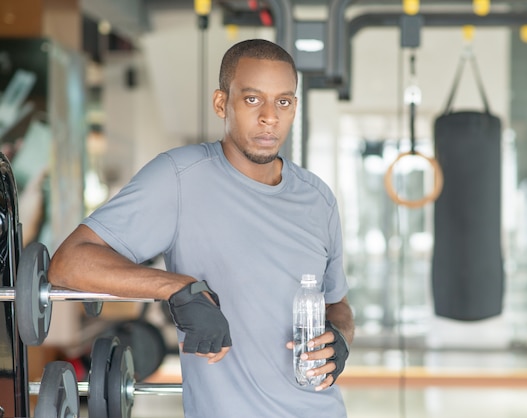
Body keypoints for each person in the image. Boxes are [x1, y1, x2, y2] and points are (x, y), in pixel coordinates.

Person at [48, 38, 354, 417]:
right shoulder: (179, 177)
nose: (270, 117)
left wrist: (340, 336)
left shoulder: (317, 198)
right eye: (253, 99)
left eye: (284, 102)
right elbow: (68, 264)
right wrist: (177, 288)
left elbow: (337, 303)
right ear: (222, 103)